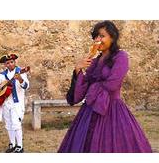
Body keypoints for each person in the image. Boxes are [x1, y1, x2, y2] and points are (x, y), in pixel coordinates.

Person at [58, 20, 152, 153]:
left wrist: (93, 87)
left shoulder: (121, 56)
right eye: (96, 36)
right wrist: (78, 70)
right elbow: (83, 87)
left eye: (102, 36)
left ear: (112, 37)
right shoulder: (95, 61)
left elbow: (113, 83)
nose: (98, 39)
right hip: (90, 110)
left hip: (112, 108)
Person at [0, 54, 29, 153]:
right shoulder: (2, 75)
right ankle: (12, 144)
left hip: (16, 103)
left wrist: (20, 79)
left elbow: (26, 86)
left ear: (15, 62)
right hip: (5, 103)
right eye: (7, 63)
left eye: (12, 62)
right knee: (9, 124)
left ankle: (20, 146)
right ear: (5, 65)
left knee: (16, 124)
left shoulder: (21, 72)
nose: (10, 64)